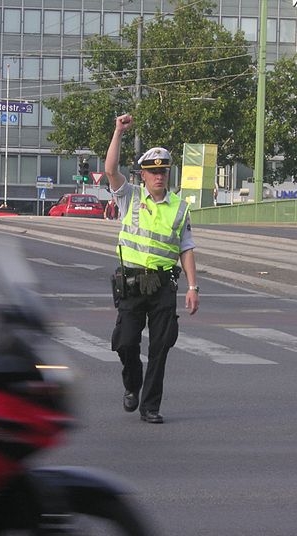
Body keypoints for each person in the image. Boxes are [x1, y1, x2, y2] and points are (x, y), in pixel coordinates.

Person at [104, 113, 200, 424]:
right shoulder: (129, 197)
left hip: (162, 287)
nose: (159, 176)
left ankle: (150, 406)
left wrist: (193, 287)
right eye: (153, 172)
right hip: (132, 284)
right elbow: (110, 169)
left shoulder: (179, 207)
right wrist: (118, 132)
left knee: (161, 346)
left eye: (163, 172)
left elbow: (186, 248)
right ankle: (132, 384)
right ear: (142, 175)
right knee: (127, 343)